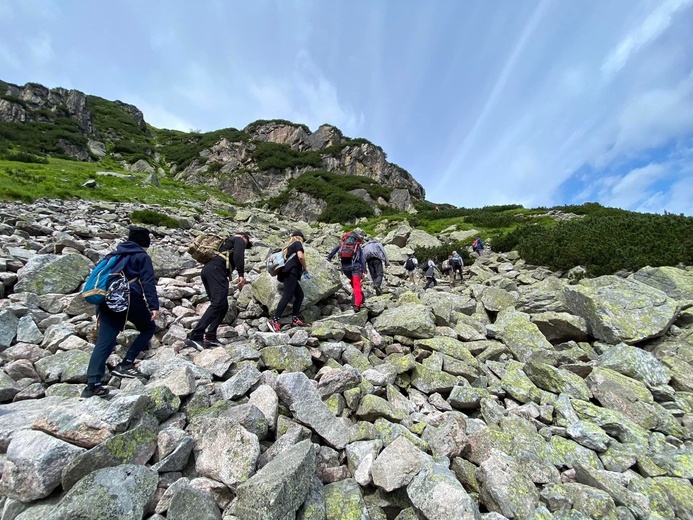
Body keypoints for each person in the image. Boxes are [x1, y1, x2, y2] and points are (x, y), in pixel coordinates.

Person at [83, 227, 160, 398]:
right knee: (148, 327)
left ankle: (92, 384)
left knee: (105, 341)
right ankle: (126, 364)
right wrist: (154, 306)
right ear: (144, 242)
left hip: (106, 299)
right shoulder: (142, 256)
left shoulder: (113, 255)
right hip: (129, 299)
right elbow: (148, 282)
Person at [186, 231, 252, 350]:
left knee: (223, 306)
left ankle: (210, 336)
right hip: (217, 271)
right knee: (217, 304)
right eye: (246, 244)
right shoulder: (239, 240)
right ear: (243, 237)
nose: (244, 246)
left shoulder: (225, 243)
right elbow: (238, 255)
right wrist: (241, 274)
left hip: (208, 271)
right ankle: (195, 336)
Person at [270, 230, 310, 332]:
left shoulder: (288, 247)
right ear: (300, 238)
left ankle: (295, 319)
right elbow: (300, 256)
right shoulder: (297, 243)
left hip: (288, 273)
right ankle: (275, 320)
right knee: (287, 296)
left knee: (299, 295)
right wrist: (305, 268)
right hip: (291, 273)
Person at [327, 231, 366, 311]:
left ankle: (361, 298)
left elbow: (334, 251)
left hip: (345, 269)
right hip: (356, 267)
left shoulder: (342, 245)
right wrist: (364, 270)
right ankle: (356, 304)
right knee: (357, 285)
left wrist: (328, 258)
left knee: (354, 283)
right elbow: (362, 259)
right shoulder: (357, 247)